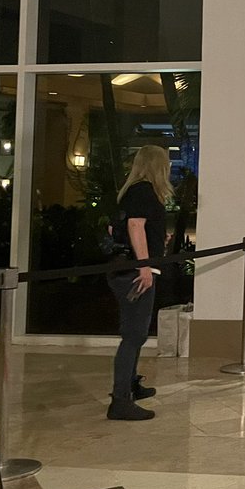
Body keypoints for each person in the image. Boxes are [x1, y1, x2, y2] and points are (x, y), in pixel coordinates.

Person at [106, 145, 171, 421]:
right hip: (136, 271)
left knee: (137, 333)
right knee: (133, 335)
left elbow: (119, 228)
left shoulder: (131, 192)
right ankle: (120, 399)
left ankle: (130, 385)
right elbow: (135, 226)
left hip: (130, 268)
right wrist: (143, 264)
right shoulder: (143, 191)